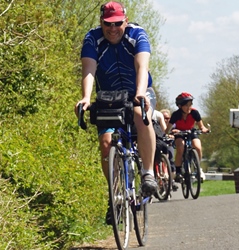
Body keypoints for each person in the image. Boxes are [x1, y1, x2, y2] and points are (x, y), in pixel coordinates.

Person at [74, 1, 157, 224]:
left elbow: (142, 67)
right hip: (109, 98)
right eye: (107, 24)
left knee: (141, 115)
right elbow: (89, 70)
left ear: (125, 21)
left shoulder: (137, 35)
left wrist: (140, 94)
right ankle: (116, 195)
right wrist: (85, 97)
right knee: (105, 142)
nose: (112, 28)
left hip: (138, 92)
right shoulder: (92, 39)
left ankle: (148, 173)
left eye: (118, 23)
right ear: (101, 22)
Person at [165, 92, 209, 181]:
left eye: (190, 104)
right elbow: (167, 129)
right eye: (186, 105)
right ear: (180, 106)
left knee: (198, 147)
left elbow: (201, 126)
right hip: (179, 133)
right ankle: (178, 171)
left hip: (191, 132)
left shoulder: (194, 113)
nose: (189, 107)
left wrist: (204, 129)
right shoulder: (176, 115)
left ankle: (198, 168)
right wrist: (170, 133)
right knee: (180, 148)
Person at [160, 109, 178, 191]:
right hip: (159, 144)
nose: (166, 120)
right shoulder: (156, 125)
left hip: (169, 144)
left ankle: (172, 180)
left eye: (168, 118)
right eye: (164, 118)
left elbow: (177, 134)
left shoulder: (173, 126)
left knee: (171, 158)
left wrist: (173, 136)